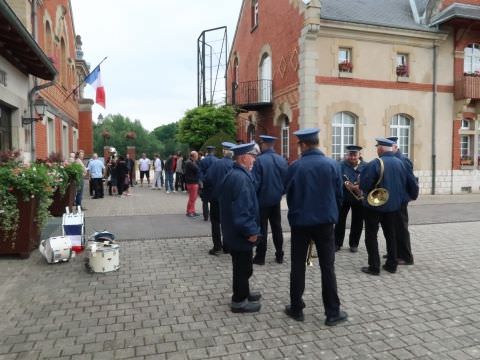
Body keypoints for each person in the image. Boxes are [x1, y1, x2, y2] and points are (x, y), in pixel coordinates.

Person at [284, 128, 347, 326]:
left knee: (298, 265)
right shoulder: (333, 165)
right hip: (325, 223)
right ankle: (332, 313)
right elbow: (339, 196)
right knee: (328, 267)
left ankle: (296, 308)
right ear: (317, 143)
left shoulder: (295, 166)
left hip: (301, 222)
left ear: (302, 145)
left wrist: (298, 211)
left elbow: (290, 196)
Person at [359, 137, 418, 276]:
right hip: (393, 206)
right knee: (391, 235)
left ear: (380, 149)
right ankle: (392, 265)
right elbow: (411, 182)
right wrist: (410, 197)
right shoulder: (402, 163)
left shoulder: (375, 163)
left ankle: (374, 267)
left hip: (374, 206)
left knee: (371, 236)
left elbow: (364, 185)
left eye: (377, 147)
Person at [218, 142, 261, 313]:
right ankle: (239, 301)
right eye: (253, 157)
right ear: (244, 158)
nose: (255, 161)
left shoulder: (236, 174)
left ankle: (244, 292)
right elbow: (242, 210)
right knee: (242, 267)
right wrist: (251, 231)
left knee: (243, 266)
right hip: (240, 233)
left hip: (234, 231)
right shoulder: (240, 178)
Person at [252, 135, 288, 265]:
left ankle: (260, 257)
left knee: (262, 229)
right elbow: (286, 182)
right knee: (277, 227)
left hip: (262, 201)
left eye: (261, 144)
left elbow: (255, 183)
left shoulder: (259, 160)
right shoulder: (281, 160)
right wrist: (279, 193)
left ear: (264, 144)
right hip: (275, 200)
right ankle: (279, 255)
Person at [387, 136, 417, 265]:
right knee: (393, 227)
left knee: (401, 228)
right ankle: (395, 252)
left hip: (400, 199)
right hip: (394, 199)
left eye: (389, 148)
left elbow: (412, 181)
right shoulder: (394, 159)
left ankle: (406, 257)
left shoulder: (403, 160)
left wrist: (412, 196)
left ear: (395, 147)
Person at [203, 142, 236, 255]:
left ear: (224, 151)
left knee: (216, 223)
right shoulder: (234, 165)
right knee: (228, 222)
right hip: (230, 200)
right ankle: (227, 246)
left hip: (216, 198)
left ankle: (217, 247)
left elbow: (207, 179)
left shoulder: (217, 164)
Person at [334, 145, 367, 253]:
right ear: (347, 155)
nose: (352, 157)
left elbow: (369, 180)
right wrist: (345, 185)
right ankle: (337, 243)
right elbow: (336, 180)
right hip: (344, 197)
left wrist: (360, 187)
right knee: (340, 221)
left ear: (359, 155)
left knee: (357, 222)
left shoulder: (366, 166)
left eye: (355, 155)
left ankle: (354, 244)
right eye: (350, 155)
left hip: (359, 198)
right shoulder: (340, 165)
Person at [199, 146, 218, 221]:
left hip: (206, 183)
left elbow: (200, 172)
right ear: (214, 151)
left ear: (207, 151)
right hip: (214, 183)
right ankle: (213, 215)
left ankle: (205, 216)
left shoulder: (203, 161)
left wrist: (202, 180)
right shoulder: (217, 160)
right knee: (214, 201)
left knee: (205, 201)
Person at [184, 151, 200, 217]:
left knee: (193, 198)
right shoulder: (190, 163)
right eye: (196, 156)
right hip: (192, 182)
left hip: (191, 182)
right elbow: (197, 170)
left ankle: (192, 211)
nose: (197, 157)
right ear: (193, 156)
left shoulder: (190, 162)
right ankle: (189, 211)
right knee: (192, 198)